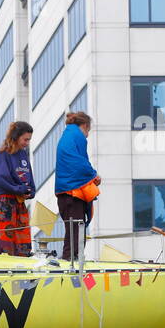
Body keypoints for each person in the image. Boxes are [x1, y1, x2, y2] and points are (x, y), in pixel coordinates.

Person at [54, 111, 99, 262]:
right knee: (76, 232)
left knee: (72, 231)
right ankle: (71, 261)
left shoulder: (67, 136)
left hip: (66, 192)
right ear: (85, 126)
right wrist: (93, 175)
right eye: (88, 131)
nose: (87, 135)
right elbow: (79, 162)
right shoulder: (77, 136)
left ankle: (71, 258)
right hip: (72, 193)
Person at [0, 120, 35, 257]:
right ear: (16, 137)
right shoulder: (2, 154)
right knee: (7, 244)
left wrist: (30, 191)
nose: (27, 143)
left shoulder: (23, 156)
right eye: (25, 139)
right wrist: (17, 189)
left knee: (23, 242)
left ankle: (24, 268)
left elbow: (29, 178)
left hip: (20, 202)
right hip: (4, 202)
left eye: (29, 140)